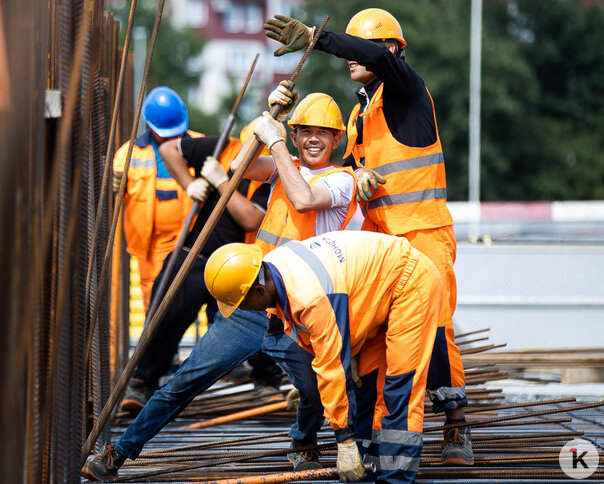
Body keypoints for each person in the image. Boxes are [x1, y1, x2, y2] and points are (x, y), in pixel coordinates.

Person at [82, 89, 356, 481]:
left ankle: (303, 443)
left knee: (314, 391)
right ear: (295, 136)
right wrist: (265, 126)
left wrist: (276, 140)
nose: (314, 139)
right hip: (252, 302)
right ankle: (119, 454)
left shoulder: (340, 180)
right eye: (305, 131)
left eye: (323, 133)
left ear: (337, 139)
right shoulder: (282, 164)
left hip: (301, 312)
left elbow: (303, 199)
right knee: (185, 381)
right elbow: (242, 166)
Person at [264, 8, 473, 465]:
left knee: (434, 331)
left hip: (423, 232)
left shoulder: (409, 92)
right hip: (384, 243)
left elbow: (371, 54)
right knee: (379, 339)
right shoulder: (362, 111)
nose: (352, 57)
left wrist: (318, 39)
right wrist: (358, 175)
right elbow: (367, 168)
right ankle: (381, 435)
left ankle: (455, 424)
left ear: (392, 52)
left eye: (366, 47)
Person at [205, 231, 443, 484]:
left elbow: (332, 367)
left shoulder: (310, 296)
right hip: (380, 288)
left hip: (410, 281)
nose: (244, 310)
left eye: (242, 303)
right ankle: (369, 466)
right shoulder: (273, 268)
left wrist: (345, 441)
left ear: (260, 289)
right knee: (367, 386)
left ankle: (397, 477)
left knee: (399, 387)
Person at [120, 119, 284, 414]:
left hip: (245, 263)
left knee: (265, 312)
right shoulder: (219, 147)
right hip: (198, 251)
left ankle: (265, 379)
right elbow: (170, 149)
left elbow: (249, 218)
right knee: (166, 310)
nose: (251, 159)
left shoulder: (274, 174)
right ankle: (143, 380)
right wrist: (190, 183)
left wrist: (222, 182)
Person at [113, 86, 203, 310]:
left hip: (192, 236)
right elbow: (115, 195)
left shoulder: (201, 144)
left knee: (194, 291)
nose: (173, 136)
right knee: (153, 296)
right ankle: (157, 342)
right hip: (151, 241)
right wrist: (113, 184)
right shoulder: (129, 154)